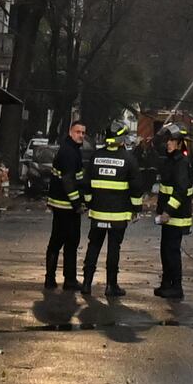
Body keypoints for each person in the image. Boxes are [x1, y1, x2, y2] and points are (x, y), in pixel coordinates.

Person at [140, 119, 193, 309]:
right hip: (167, 216)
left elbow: (181, 191)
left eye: (172, 141)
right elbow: (155, 154)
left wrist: (168, 211)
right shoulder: (170, 160)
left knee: (172, 252)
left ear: (179, 144)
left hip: (176, 216)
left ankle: (176, 287)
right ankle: (166, 284)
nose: (169, 144)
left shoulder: (181, 163)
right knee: (165, 250)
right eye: (168, 141)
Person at [84, 111, 139, 301]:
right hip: (118, 216)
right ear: (122, 139)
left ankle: (86, 284)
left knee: (94, 246)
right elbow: (136, 188)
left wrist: (89, 202)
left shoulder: (95, 156)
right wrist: (136, 209)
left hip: (97, 213)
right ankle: (111, 285)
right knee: (113, 249)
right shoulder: (129, 160)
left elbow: (86, 183)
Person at [42, 122, 93, 297]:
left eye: (83, 132)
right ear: (70, 133)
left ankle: (60, 278)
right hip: (66, 207)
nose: (81, 135)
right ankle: (61, 279)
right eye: (78, 132)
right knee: (65, 242)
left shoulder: (69, 150)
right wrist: (78, 204)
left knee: (65, 241)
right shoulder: (69, 153)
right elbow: (69, 181)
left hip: (61, 205)